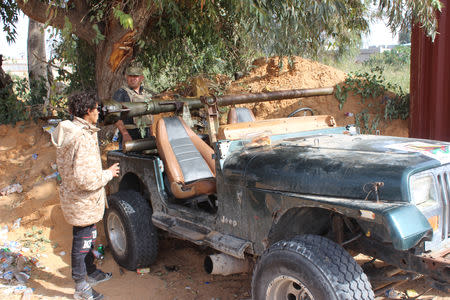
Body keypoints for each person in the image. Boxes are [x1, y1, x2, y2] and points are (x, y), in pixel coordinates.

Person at [51, 91, 120, 300]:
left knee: (87, 236)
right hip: (82, 199)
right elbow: (85, 179)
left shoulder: (75, 131)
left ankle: (91, 272)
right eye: (97, 108)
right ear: (88, 111)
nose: (99, 112)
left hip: (78, 200)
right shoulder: (80, 137)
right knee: (82, 242)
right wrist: (108, 173)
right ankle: (81, 287)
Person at [112, 65, 153, 148]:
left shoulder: (146, 94)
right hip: (129, 136)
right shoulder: (121, 93)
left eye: (136, 76)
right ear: (126, 77)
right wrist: (125, 134)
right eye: (130, 76)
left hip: (146, 136)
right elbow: (114, 115)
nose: (133, 78)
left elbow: (150, 114)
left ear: (141, 78)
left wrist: (151, 133)